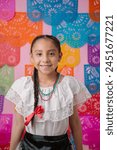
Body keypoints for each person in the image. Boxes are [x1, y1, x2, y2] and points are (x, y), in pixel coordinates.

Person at [5, 35, 91, 150]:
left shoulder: (69, 85)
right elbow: (18, 123)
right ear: (31, 57)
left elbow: (74, 122)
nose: (45, 59)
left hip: (61, 146)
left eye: (51, 54)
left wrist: (79, 148)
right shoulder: (23, 86)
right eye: (39, 54)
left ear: (59, 56)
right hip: (30, 146)